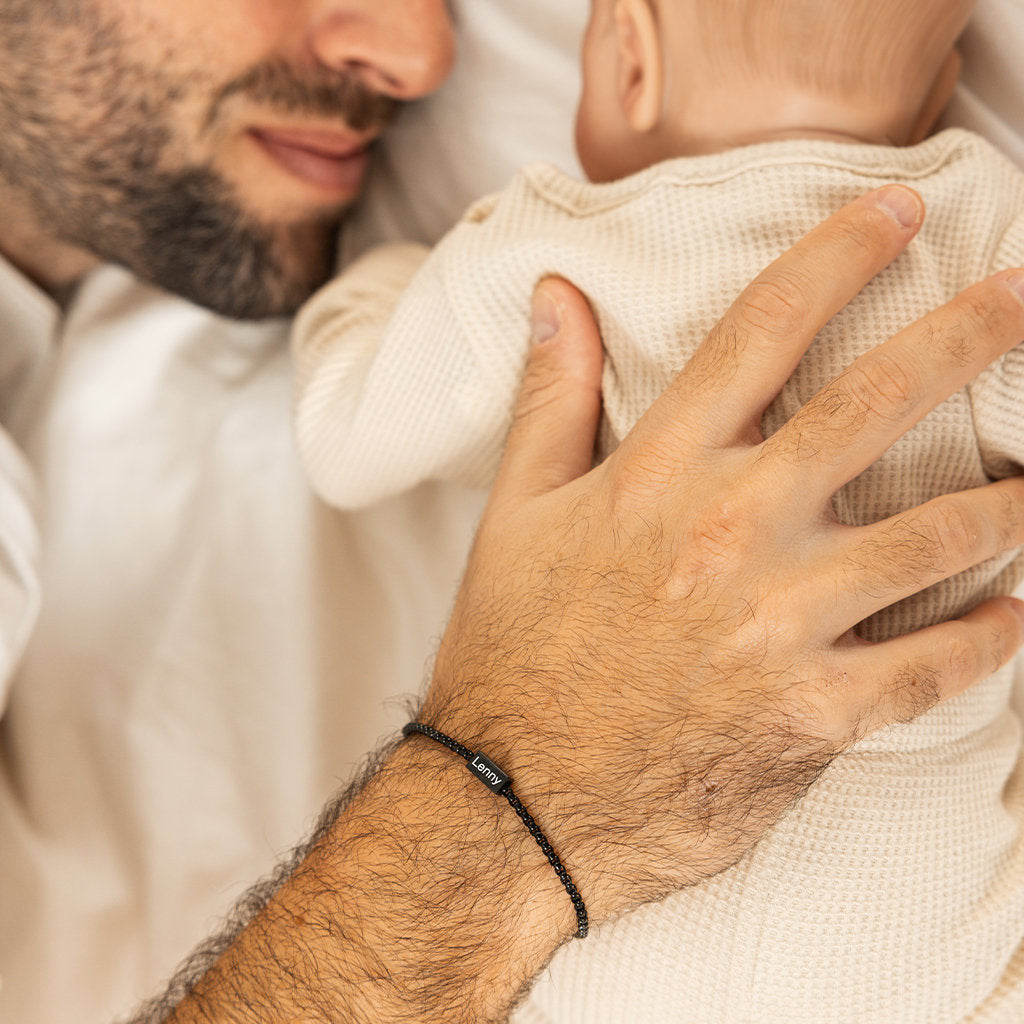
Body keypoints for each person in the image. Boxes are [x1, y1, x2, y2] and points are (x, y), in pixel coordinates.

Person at [2, 3, 1024, 1024]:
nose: (426, 57)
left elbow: (355, 424)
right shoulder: (978, 213)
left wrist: (371, 294)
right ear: (941, 85)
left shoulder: (551, 253)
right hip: (924, 898)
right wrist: (533, 775)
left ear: (630, 59)